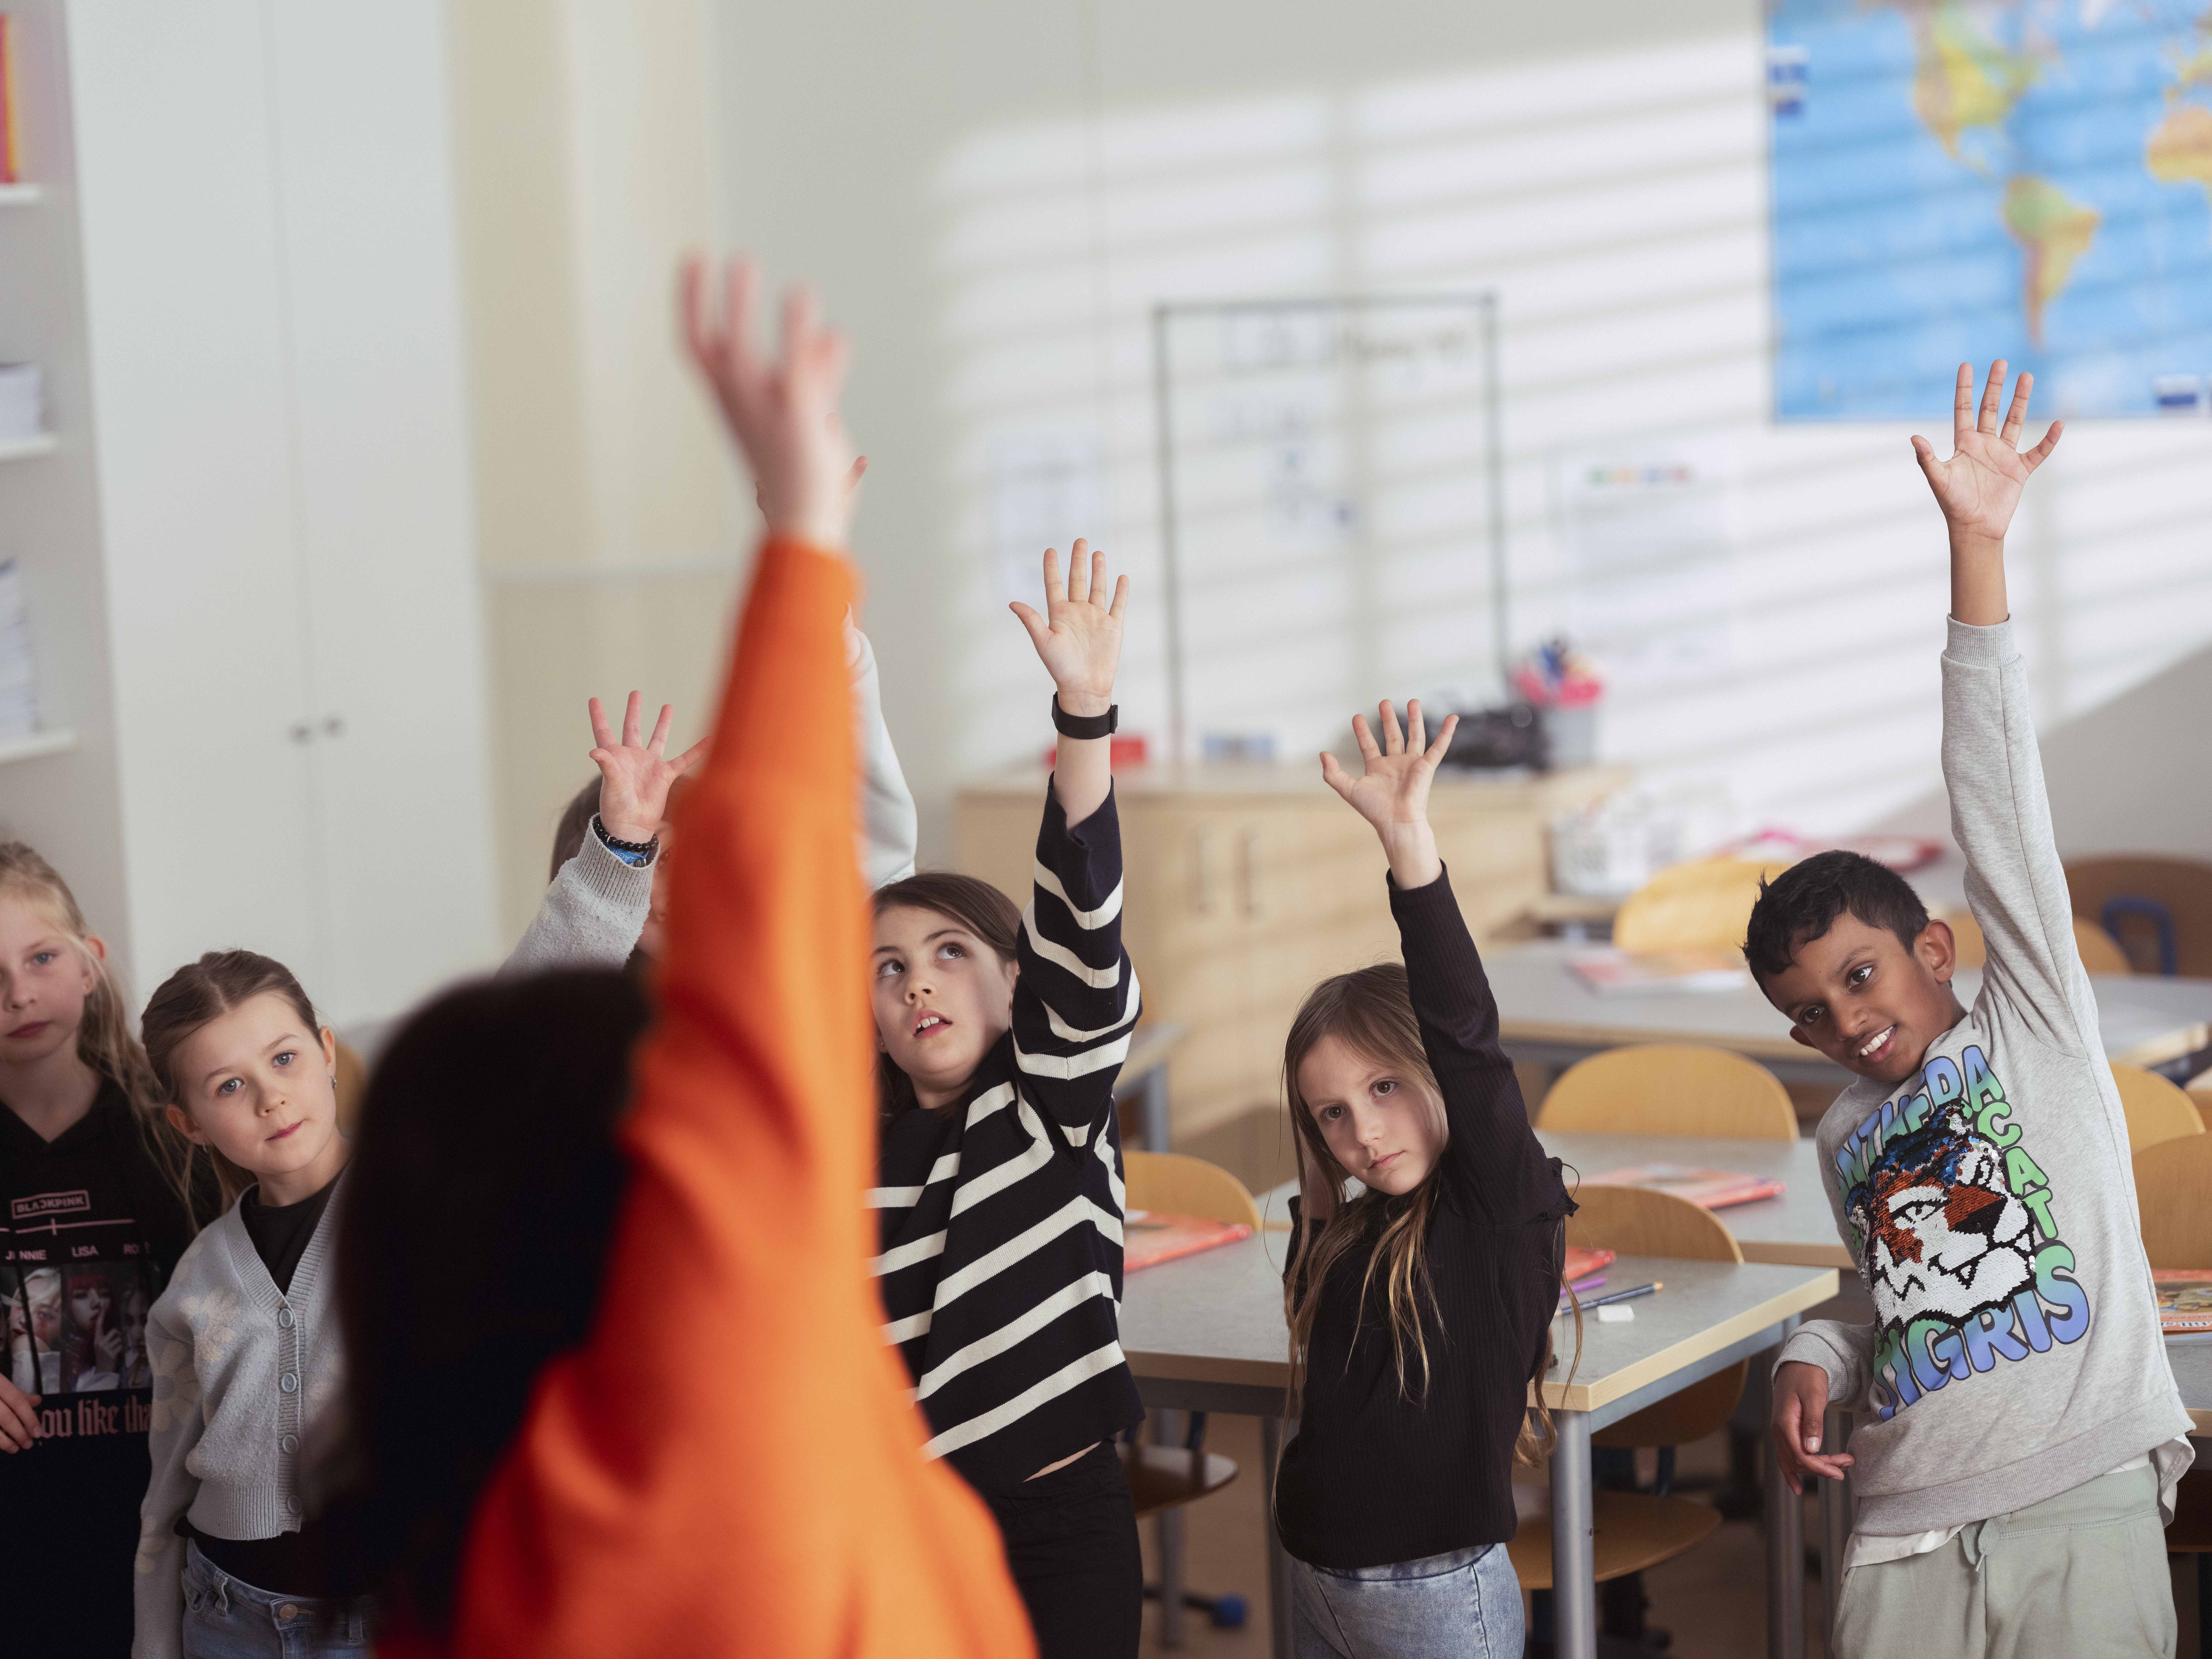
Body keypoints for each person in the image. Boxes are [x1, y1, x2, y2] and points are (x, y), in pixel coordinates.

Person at [327, 255, 1035, 1659]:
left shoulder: (464, 1552)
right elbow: (773, 919)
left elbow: (801, 883)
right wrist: (802, 542)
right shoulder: (728, 1418)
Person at [1753, 363, 2193, 1657]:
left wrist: (1974, 549)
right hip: (1898, 1528)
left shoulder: (2032, 1026)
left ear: (1932, 950)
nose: (1846, 1020)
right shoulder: (1841, 1136)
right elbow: (1887, 1298)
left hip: (2079, 1501)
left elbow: (1994, 788)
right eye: (1811, 1012)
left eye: (1859, 975)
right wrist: (1812, 1357)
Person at [868, 533, 1144, 1658]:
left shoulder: (1047, 1103)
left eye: (948, 953)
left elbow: (1081, 917)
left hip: (1056, 1524)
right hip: (908, 1530)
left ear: (1017, 986)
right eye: (888, 969)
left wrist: (1083, 715)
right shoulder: (857, 1147)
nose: (918, 980)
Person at [1270, 698, 1575, 1659]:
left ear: (1434, 1074)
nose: (1362, 1130)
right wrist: (1321, 1196)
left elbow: (1466, 1035)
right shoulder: (1354, 1228)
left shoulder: (1500, 1203)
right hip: (1316, 1583)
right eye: (1331, 1113)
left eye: (1384, 1088)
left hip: (1433, 1595)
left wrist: (1409, 847)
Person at [505, 474, 918, 975]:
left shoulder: (810, 959)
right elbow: (528, 1020)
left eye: (671, 858)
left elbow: (862, 817)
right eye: (631, 874)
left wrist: (810, 565)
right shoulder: (610, 1027)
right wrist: (617, 854)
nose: (656, 898)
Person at [0, 842, 220, 1656]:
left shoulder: (176, 1132)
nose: (19, 992)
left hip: (160, 1535)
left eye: (42, 957)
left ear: (89, 966)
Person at [133, 950, 369, 1658]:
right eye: (230, 1085)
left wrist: (617, 850)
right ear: (190, 1123)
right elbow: (166, 1484)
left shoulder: (417, 1202)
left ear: (326, 1052)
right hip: (226, 1617)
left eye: (285, 1059)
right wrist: (154, 1638)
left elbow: (525, 1014)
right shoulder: (198, 1278)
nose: (271, 1098)